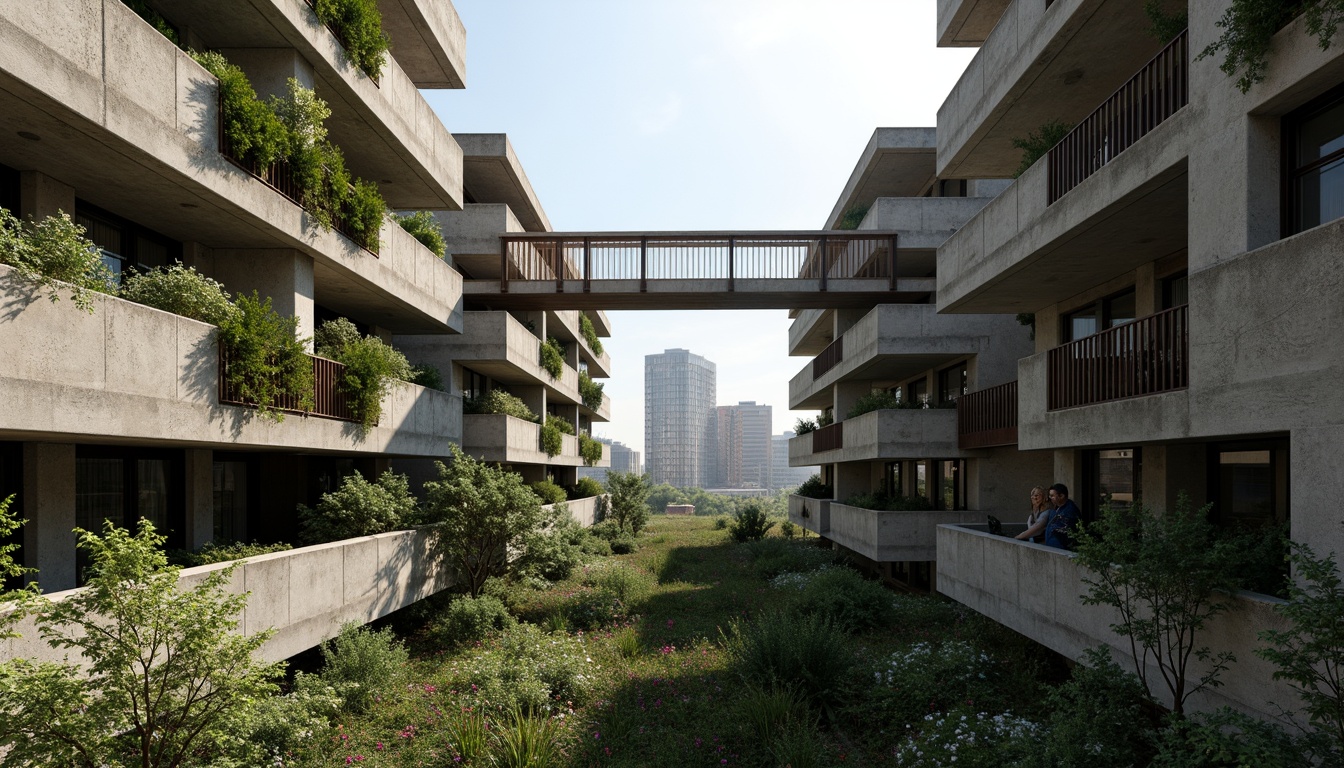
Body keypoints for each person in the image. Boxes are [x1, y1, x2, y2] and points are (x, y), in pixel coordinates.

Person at [1015, 483, 1080, 549]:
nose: (1050, 498)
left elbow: (1038, 528)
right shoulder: (1056, 508)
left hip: (1061, 549)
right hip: (1052, 548)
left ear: (1061, 496)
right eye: (1049, 496)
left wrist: (1018, 537)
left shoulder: (1069, 511)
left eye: (1052, 496)